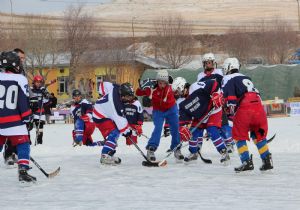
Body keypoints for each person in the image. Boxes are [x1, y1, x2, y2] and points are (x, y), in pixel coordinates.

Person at [221, 57, 273, 172]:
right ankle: (267, 160)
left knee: (239, 135)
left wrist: (227, 111)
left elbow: (229, 98)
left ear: (228, 67)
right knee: (258, 135)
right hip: (258, 107)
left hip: (245, 107)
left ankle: (246, 161)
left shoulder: (227, 78)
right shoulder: (246, 77)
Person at [172, 78, 229, 164]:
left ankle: (224, 153)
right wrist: (182, 129)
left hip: (213, 110)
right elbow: (184, 119)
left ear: (182, 86)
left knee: (212, 130)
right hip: (199, 115)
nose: (177, 94)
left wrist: (216, 94)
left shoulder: (195, 87)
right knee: (192, 132)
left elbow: (213, 83)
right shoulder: (181, 102)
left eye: (177, 91)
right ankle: (193, 153)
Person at [0, 51, 36, 183]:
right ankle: (23, 171)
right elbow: (22, 102)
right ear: (13, 64)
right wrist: (27, 118)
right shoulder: (20, 78)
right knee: (23, 144)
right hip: (13, 121)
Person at [136, 70, 183, 162]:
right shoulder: (151, 89)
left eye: (164, 83)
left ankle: (176, 148)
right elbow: (138, 93)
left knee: (175, 128)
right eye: (160, 83)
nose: (162, 85)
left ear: (167, 82)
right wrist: (141, 86)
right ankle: (151, 149)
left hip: (171, 109)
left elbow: (179, 90)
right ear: (157, 81)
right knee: (158, 128)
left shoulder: (171, 87)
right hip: (158, 111)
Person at [92, 83, 134, 165]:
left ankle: (109, 154)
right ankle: (105, 155)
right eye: (128, 96)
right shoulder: (117, 106)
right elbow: (121, 125)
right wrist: (127, 132)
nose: (129, 99)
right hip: (100, 116)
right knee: (115, 132)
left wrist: (102, 93)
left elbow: (103, 84)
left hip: (103, 112)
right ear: (123, 95)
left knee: (112, 137)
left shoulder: (116, 88)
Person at [29, 75, 50, 145]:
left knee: (40, 128)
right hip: (32, 111)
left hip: (40, 111)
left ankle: (39, 142)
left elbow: (47, 100)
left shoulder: (43, 89)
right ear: (34, 82)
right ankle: (27, 142)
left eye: (40, 82)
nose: (38, 83)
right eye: (37, 82)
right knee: (28, 127)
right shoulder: (30, 89)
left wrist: (46, 96)